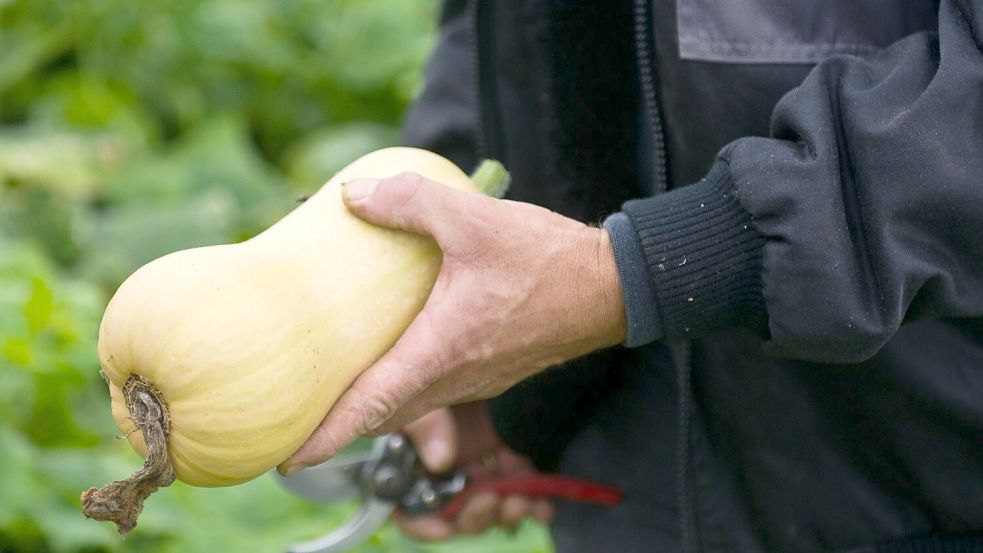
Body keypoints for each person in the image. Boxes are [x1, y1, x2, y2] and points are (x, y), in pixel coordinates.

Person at [279, 1, 983, 551]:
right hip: (627, 472)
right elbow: (504, 34)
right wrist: (440, 287)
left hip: (916, 481)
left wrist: (643, 268)